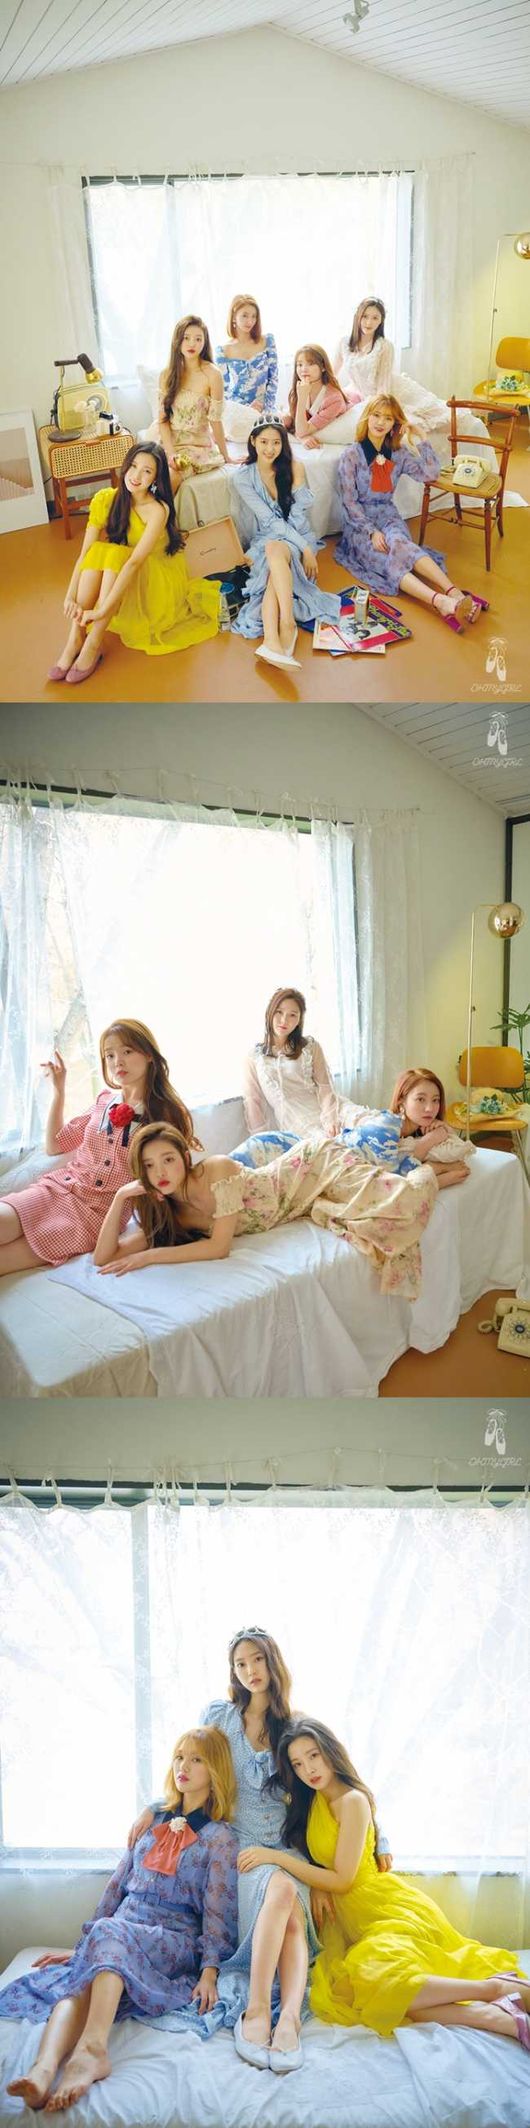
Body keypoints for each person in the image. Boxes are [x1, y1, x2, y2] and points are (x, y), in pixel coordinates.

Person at [126, 1628, 392, 2075]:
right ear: (233, 1671)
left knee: (290, 1908)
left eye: (258, 1660)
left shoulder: (294, 1725)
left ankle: (283, 2019)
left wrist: (378, 1837)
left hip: (288, 1852)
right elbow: (193, 1766)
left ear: (273, 1663)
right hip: (242, 1850)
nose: (250, 1671)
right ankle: (261, 2011)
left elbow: (340, 1782)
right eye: (240, 1663)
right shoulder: (220, 1717)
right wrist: (155, 1807)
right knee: (281, 1892)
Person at [247, 1718, 530, 2053]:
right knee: (374, 1996)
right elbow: (321, 1860)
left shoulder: (353, 1801)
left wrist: (276, 1858)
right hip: (348, 1922)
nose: (308, 1769)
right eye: (297, 1763)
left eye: (313, 1755)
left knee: (382, 1982)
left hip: (379, 1908)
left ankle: (491, 1989)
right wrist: (315, 1879)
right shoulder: (312, 1801)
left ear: (330, 1751)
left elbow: (343, 1879)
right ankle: (498, 2019)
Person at [0, 1728, 239, 2111]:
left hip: (171, 1937)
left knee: (109, 1936)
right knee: (81, 1981)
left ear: (216, 1771)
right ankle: (43, 2069)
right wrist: (86, 1945)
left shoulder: (219, 1837)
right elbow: (118, 1884)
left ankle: (92, 2051)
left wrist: (209, 1970)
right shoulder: (152, 1818)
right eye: (180, 1756)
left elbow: (218, 1910)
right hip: (121, 1928)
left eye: (197, 1759)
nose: (183, 1766)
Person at [93, 1115, 438, 1300]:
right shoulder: (171, 1215)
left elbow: (219, 1247)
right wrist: (121, 1196)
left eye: (168, 1159)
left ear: (185, 1157)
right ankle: (401, 1172)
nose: (161, 1172)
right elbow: (103, 1257)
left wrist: (150, 1256)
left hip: (312, 1167)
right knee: (382, 1215)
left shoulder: (216, 1169)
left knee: (405, 1204)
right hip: (304, 1203)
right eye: (150, 1166)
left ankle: (427, 1170)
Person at [0, 1019, 198, 1276]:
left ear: (149, 1054)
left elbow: (170, 1180)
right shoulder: (103, 1101)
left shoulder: (165, 1114)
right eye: (110, 1055)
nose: (118, 1062)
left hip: (95, 1216)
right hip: (57, 1189)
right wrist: (59, 1092)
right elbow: (55, 1145)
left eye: (127, 1051)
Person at [48, 444, 220, 685]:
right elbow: (85, 553)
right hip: (120, 573)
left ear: (155, 478)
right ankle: (74, 638)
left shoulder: (158, 510)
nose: (136, 476)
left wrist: (102, 610)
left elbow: (134, 563)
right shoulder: (106, 499)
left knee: (116, 554)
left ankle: (93, 642)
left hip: (154, 578)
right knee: (102, 550)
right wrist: (69, 597)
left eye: (147, 471)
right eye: (134, 466)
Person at [336, 396, 485, 629]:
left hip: (388, 515)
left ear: (395, 424)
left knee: (400, 545)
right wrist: (371, 532)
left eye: (388, 418)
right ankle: (439, 601)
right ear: (367, 417)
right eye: (376, 415)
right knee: (385, 558)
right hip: (360, 524)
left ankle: (454, 592)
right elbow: (349, 501)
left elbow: (430, 474)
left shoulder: (399, 453)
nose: (380, 422)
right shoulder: (351, 455)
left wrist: (422, 438)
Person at [231, 418, 342, 671]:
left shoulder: (294, 467)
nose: (270, 449)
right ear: (253, 442)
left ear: (283, 444)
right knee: (273, 557)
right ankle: (279, 634)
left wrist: (303, 546)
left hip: (297, 534)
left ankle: (277, 635)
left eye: (276, 443)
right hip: (269, 536)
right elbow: (269, 521)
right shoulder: (243, 478)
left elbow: (298, 517)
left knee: (274, 554)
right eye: (264, 442)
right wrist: (305, 548)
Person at [334, 297, 491, 444]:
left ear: (381, 321)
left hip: (394, 392)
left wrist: (380, 411)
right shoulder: (344, 343)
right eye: (365, 316)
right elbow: (332, 373)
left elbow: (383, 387)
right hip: (366, 396)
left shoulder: (384, 346)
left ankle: (471, 438)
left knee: (441, 419)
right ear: (358, 316)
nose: (369, 322)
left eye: (375, 318)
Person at [243, 988, 370, 1137]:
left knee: (376, 1125)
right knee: (332, 1147)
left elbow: (325, 1087)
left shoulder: (310, 1047)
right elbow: (253, 1102)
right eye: (279, 1012)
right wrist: (262, 1140)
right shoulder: (254, 1057)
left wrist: (331, 1120)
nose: (284, 1020)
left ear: (299, 1020)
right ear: (270, 1012)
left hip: (332, 1111)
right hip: (298, 1123)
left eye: (292, 1015)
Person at [152, 315, 229, 493]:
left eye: (198, 339)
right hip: (169, 443)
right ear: (177, 341)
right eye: (186, 338)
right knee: (144, 473)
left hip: (197, 446)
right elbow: (163, 420)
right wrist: (171, 454)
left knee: (170, 479)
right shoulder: (166, 374)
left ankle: (162, 511)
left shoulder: (213, 374)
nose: (192, 343)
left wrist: (226, 456)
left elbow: (215, 420)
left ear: (204, 342)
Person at [389, 1067, 473, 1186]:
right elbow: (393, 1182)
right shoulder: (386, 1130)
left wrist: (446, 1129)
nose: (429, 1108)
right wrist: (440, 1170)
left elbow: (459, 1154)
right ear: (401, 1101)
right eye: (420, 1099)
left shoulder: (420, 1127)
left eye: (435, 1100)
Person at [216, 295, 278, 418]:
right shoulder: (223, 351)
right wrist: (247, 408)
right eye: (244, 315)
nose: (250, 321)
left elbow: (274, 379)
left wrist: (266, 408)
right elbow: (224, 391)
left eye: (254, 316)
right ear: (234, 317)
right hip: (239, 410)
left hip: (266, 408)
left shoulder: (268, 341)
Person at [284, 346, 351, 448]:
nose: (303, 369)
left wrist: (302, 398)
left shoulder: (334, 399)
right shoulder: (300, 389)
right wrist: (301, 437)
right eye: (300, 365)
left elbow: (301, 431)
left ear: (323, 367)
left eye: (311, 364)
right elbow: (297, 427)